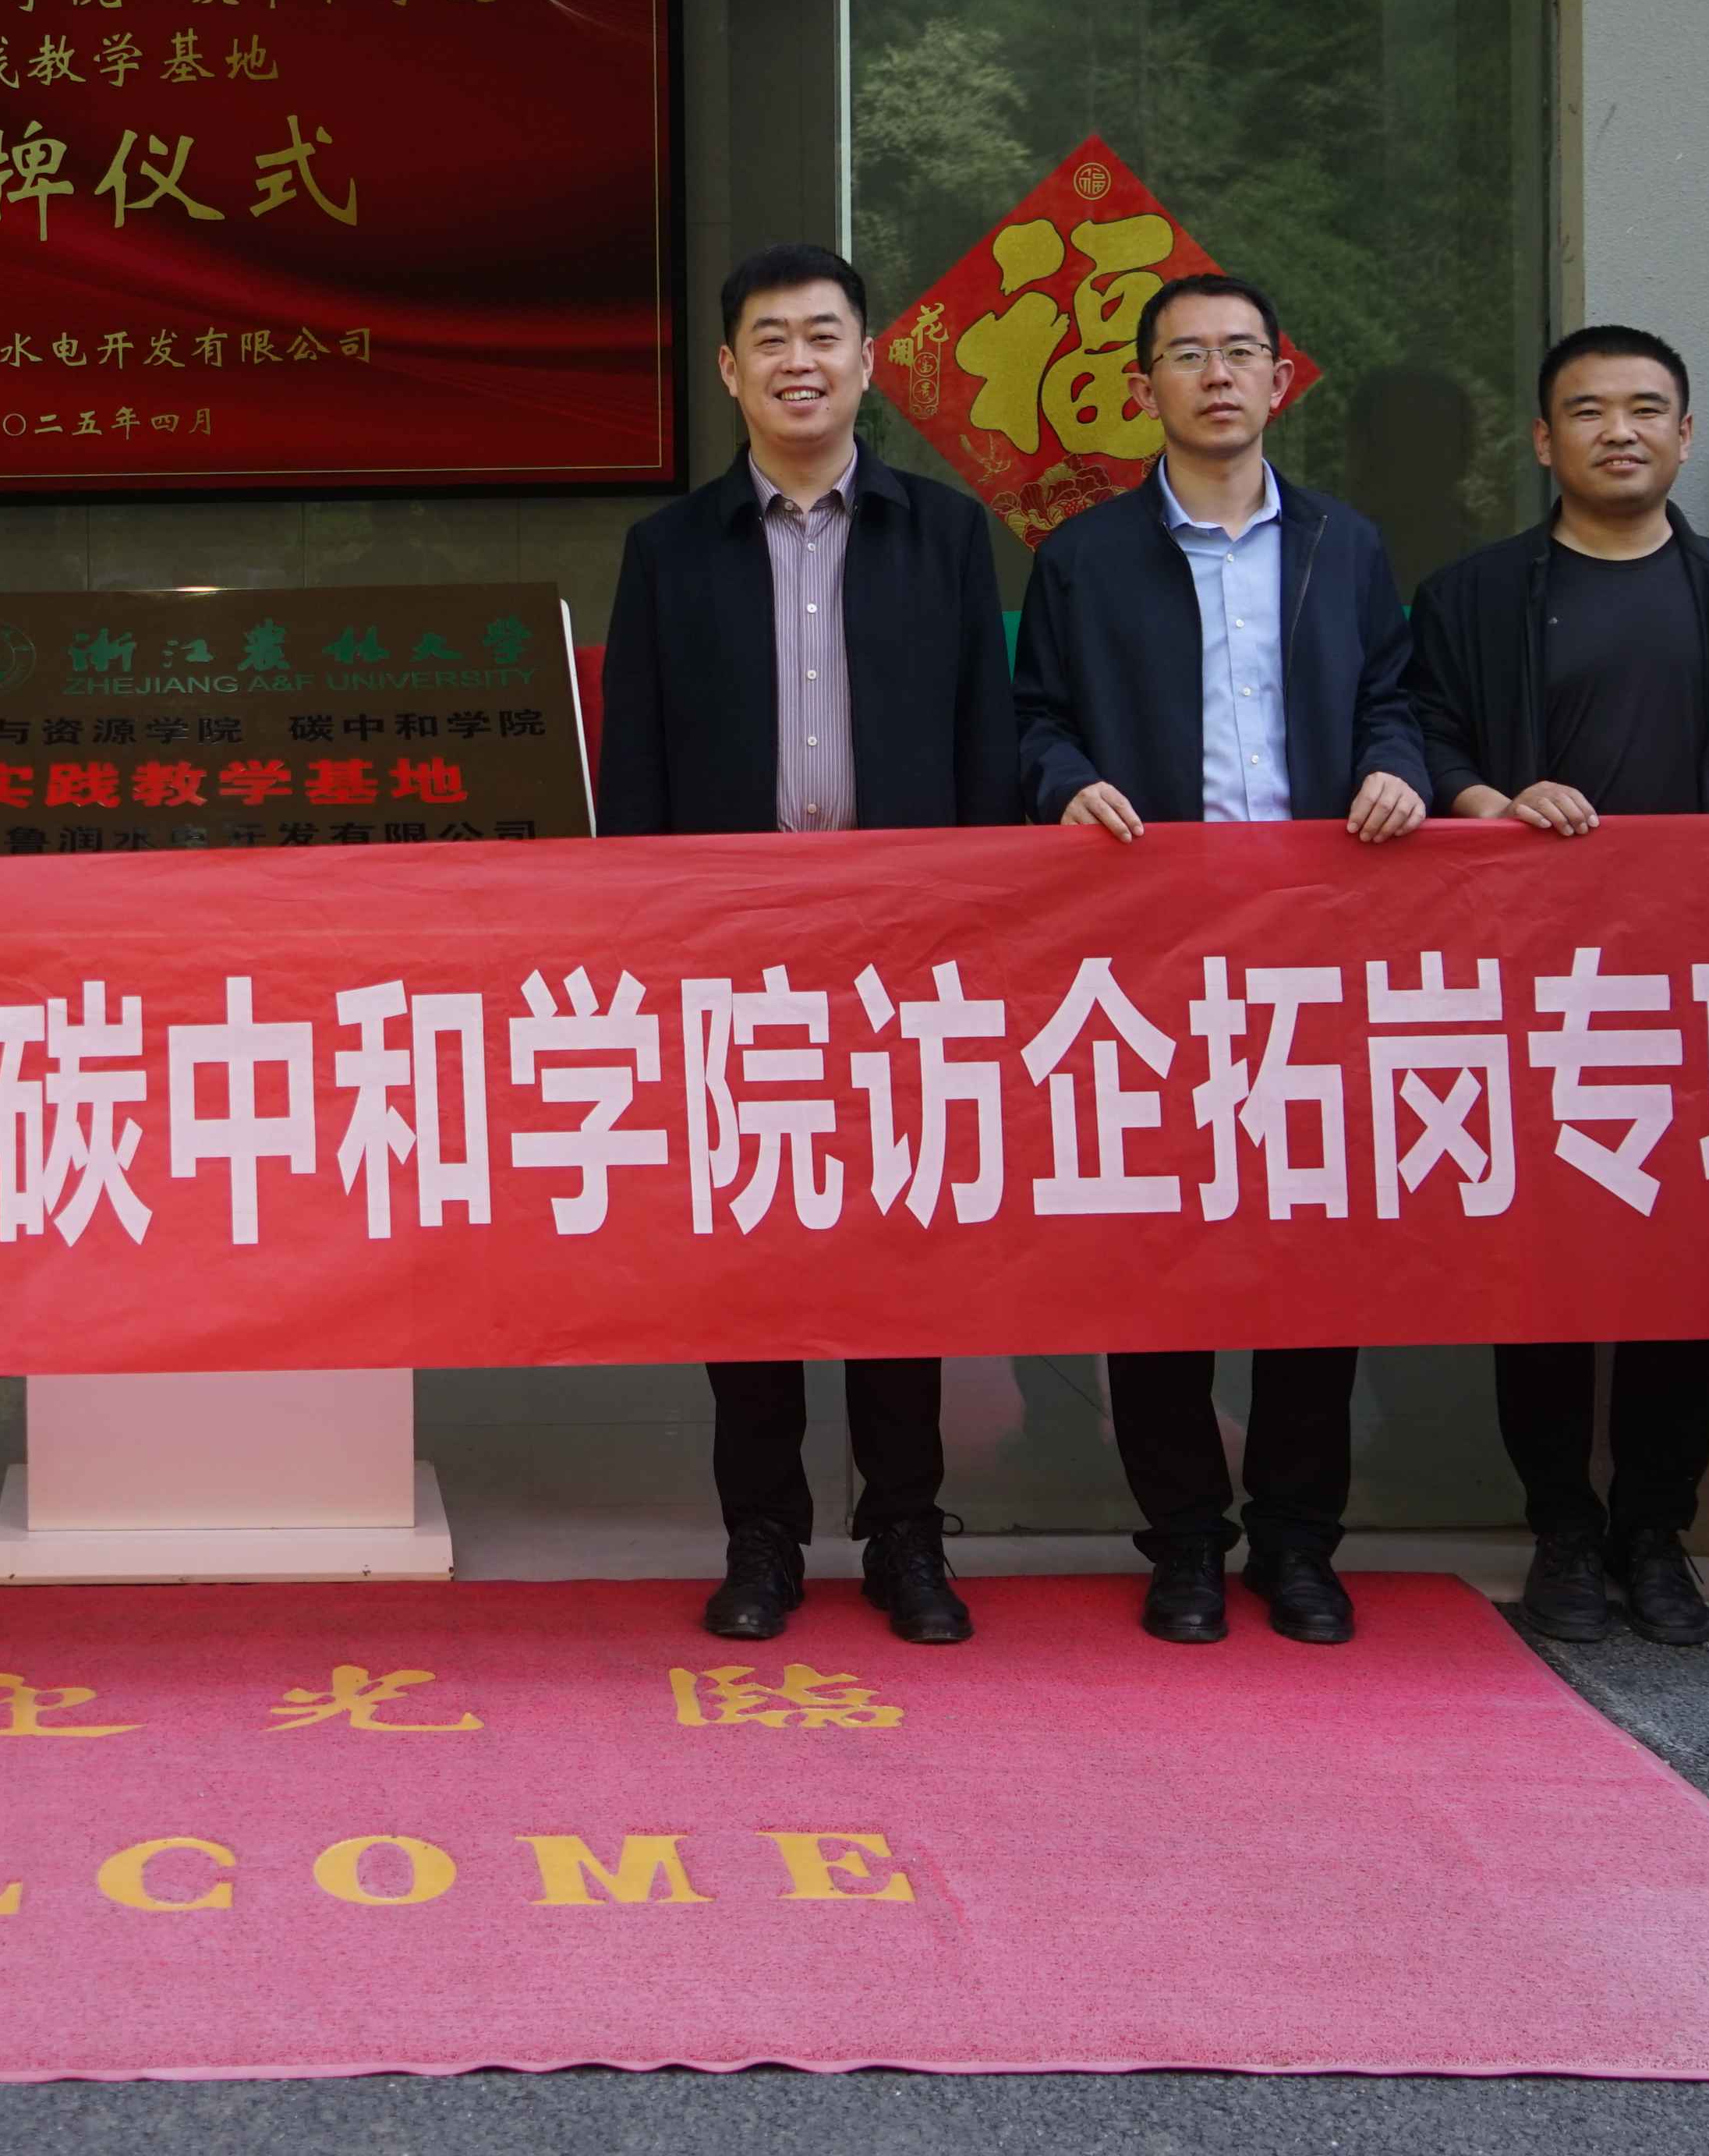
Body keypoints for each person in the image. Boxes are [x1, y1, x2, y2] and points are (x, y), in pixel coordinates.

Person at [597, 245, 1020, 1649]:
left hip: (907, 948)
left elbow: (985, 748)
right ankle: (763, 1535)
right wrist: (650, 952)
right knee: (752, 1247)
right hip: (733, 951)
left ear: (868, 360)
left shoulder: (944, 534)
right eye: (770, 338)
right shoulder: (667, 551)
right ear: (730, 371)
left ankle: (906, 1531)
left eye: (825, 335)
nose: (800, 360)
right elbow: (637, 769)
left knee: (900, 1242)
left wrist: (978, 936)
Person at [1406, 325, 1709, 1648]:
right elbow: (1423, 738)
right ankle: (1560, 1528)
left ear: (1684, 436)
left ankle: (1656, 1531)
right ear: (1545, 442)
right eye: (1589, 411)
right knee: (1543, 1270)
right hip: (1535, 987)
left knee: (1683, 1274)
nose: (1620, 431)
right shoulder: (1476, 594)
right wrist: (1489, 801)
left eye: (1647, 410)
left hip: (1701, 987)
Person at [1015, 271, 1428, 1647]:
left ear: (1280, 379)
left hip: (1316, 950)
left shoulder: (1345, 546)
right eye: (1186, 356)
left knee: (1310, 1256)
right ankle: (1186, 1539)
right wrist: (1065, 783)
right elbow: (1033, 719)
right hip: (1148, 951)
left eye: (1241, 352)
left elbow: (1396, 698)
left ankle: (1299, 1541)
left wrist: (1395, 768)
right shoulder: (1085, 558)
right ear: (1145, 389)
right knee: (1160, 1254)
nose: (1217, 376)